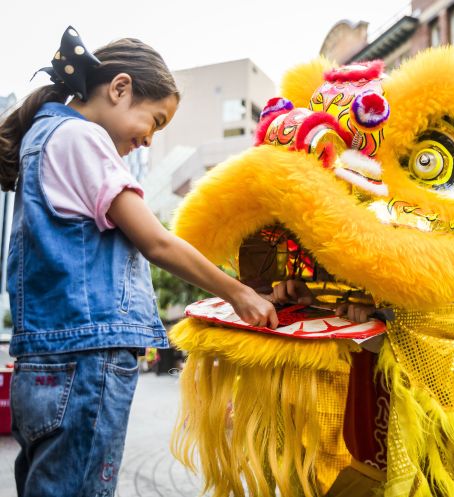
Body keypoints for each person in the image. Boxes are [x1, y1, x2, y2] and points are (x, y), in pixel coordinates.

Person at [0, 26, 277, 497]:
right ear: (120, 88)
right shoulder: (82, 140)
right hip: (88, 361)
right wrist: (239, 293)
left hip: (48, 360)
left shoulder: (43, 139)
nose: (150, 139)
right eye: (156, 121)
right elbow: (157, 242)